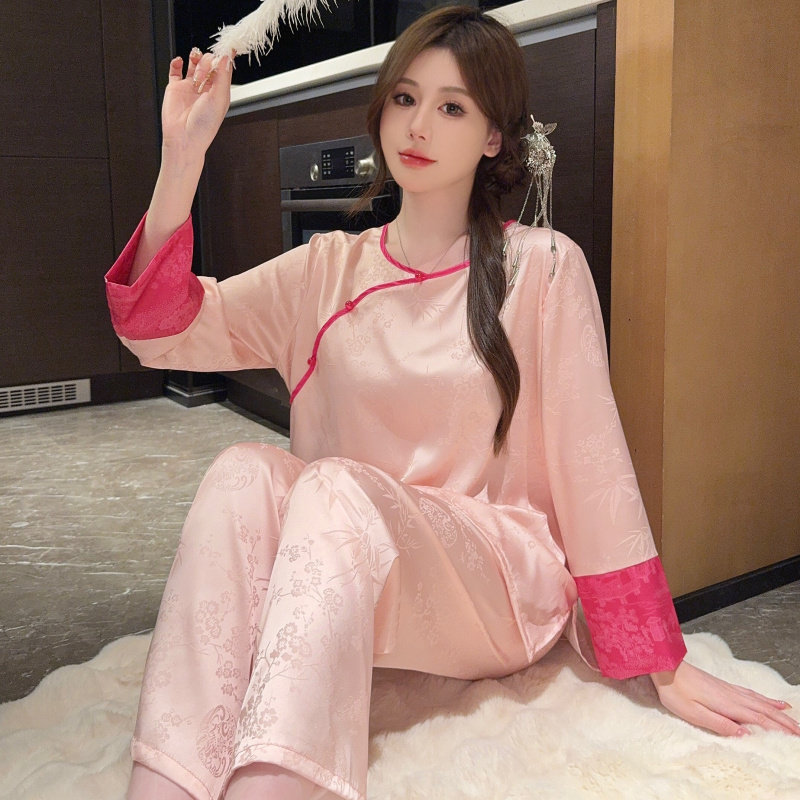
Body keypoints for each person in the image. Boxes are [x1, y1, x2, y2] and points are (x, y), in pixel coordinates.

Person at [105, 7, 799, 800]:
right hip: (356, 574)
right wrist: (181, 159)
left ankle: (278, 787)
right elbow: (162, 334)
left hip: (495, 586)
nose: (419, 125)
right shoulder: (325, 271)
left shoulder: (543, 268)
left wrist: (659, 661)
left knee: (333, 486)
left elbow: (594, 464)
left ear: (494, 136)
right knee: (240, 470)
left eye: (453, 107)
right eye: (405, 98)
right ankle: (165, 783)